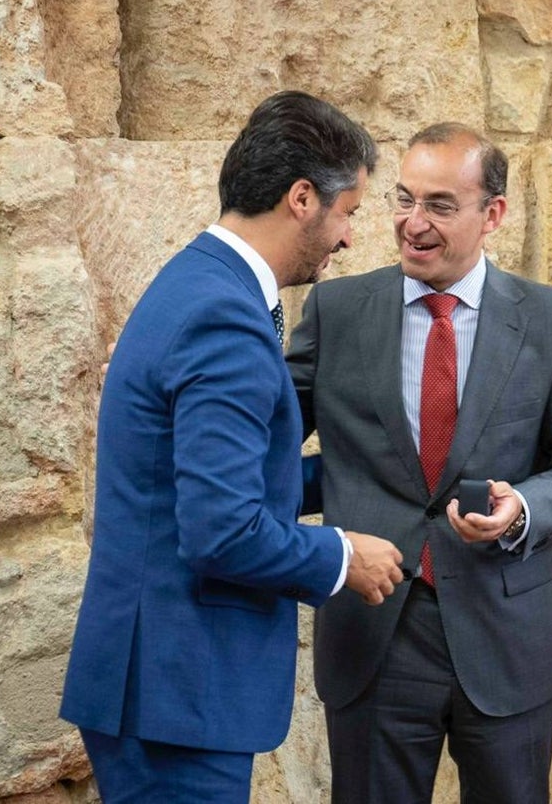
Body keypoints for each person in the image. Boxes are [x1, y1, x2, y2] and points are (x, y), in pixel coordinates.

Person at [59, 91, 405, 804]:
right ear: (303, 198)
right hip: (177, 694)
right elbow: (223, 530)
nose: (348, 240)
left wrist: (365, 472)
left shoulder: (198, 281)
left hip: (160, 684)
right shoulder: (224, 317)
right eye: (350, 213)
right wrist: (343, 556)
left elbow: (216, 483)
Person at [286, 123, 552, 803]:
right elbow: (265, 439)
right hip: (375, 631)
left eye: (439, 205)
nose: (413, 223)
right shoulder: (337, 309)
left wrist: (524, 508)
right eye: (404, 200)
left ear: (492, 214)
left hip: (505, 637)